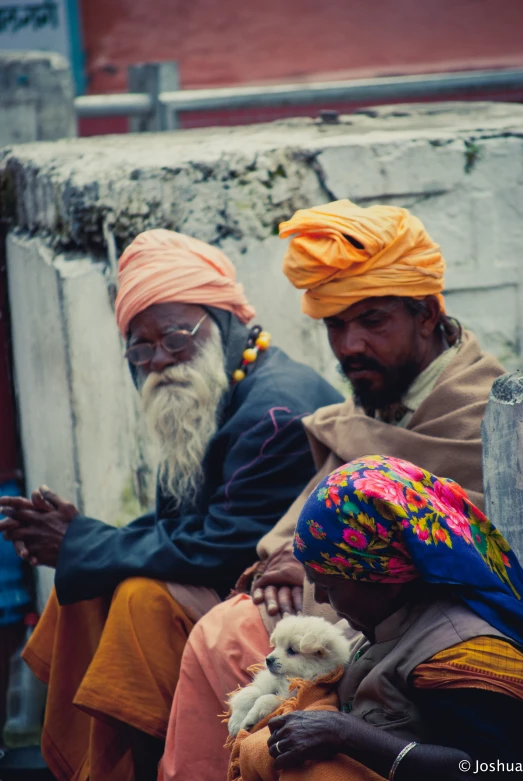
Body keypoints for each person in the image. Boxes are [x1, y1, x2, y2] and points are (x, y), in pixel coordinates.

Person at [159, 199, 506, 781]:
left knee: (228, 639)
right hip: (337, 615)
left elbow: (464, 550)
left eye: (372, 321)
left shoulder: (488, 418)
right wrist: (288, 559)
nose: (348, 346)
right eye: (335, 325)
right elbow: (301, 526)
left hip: (403, 630)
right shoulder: (369, 402)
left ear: (426, 314)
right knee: (197, 621)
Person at [0, 229, 342, 781]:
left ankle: (129, 761)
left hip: (289, 597)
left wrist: (81, 540)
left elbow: (225, 544)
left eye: (177, 338)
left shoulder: (273, 412)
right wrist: (80, 540)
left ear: (229, 321)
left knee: (138, 598)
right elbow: (185, 525)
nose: (159, 360)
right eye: (141, 346)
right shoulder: (214, 392)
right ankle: (91, 760)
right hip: (233, 567)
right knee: (82, 583)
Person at [231, 456, 523, 781]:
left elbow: (503, 769)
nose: (323, 599)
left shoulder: (463, 654)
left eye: (329, 586)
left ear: (385, 583)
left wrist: (349, 734)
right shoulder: (382, 624)